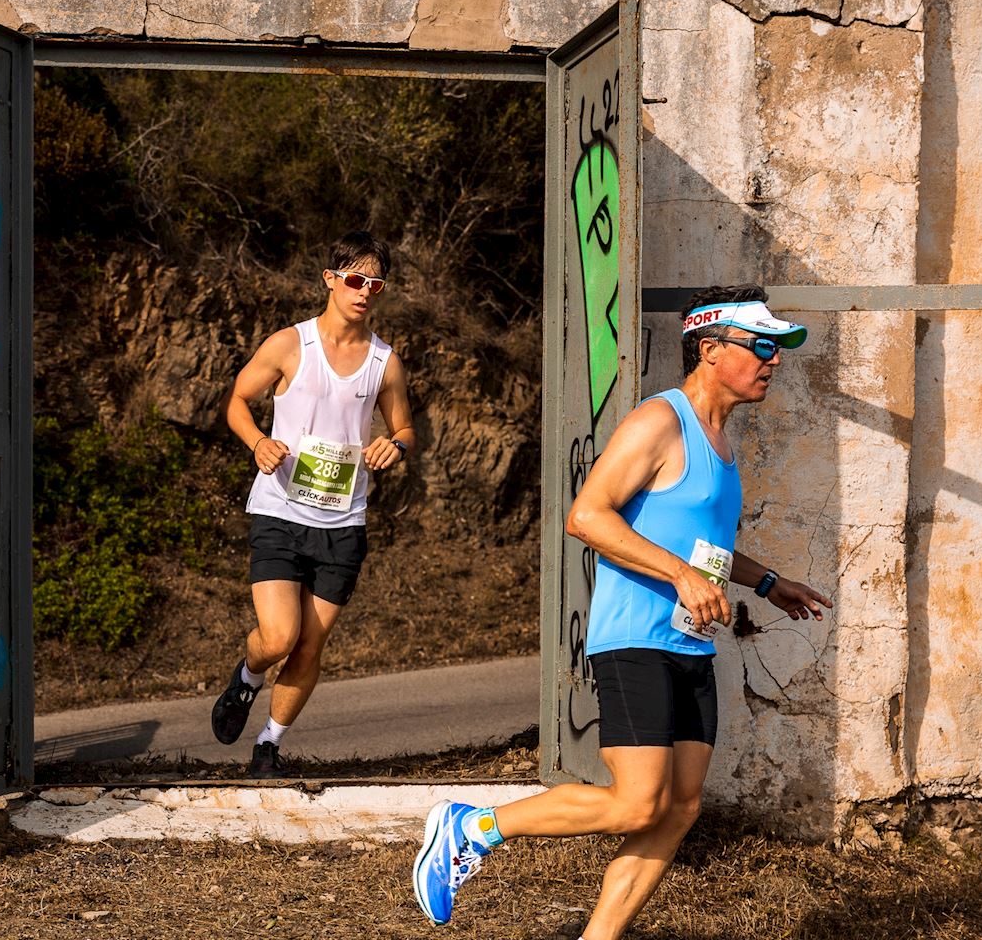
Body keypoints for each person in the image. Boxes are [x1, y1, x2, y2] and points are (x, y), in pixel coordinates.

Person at [412, 285, 833, 938]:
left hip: (689, 645)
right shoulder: (659, 422)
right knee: (638, 803)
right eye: (763, 346)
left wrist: (768, 580)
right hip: (635, 638)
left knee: (680, 806)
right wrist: (681, 574)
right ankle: (474, 826)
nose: (774, 360)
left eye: (778, 349)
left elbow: (700, 547)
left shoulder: (720, 443)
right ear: (711, 348)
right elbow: (587, 515)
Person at [210, 231, 415, 778]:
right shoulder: (289, 345)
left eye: (376, 283)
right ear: (330, 279)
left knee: (309, 648)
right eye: (355, 279)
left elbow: (406, 428)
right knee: (279, 637)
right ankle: (248, 678)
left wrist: (393, 445)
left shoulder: (383, 362)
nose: (365, 291)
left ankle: (268, 747)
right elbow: (236, 400)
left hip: (343, 522)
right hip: (279, 510)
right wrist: (258, 442)